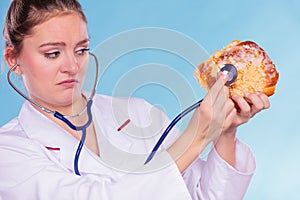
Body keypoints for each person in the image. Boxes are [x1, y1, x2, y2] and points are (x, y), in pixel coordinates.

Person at [0, 0, 270, 199]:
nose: (72, 66)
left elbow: (203, 195)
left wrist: (225, 132)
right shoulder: (9, 151)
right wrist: (196, 136)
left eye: (81, 50)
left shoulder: (137, 113)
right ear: (14, 60)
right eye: (52, 54)